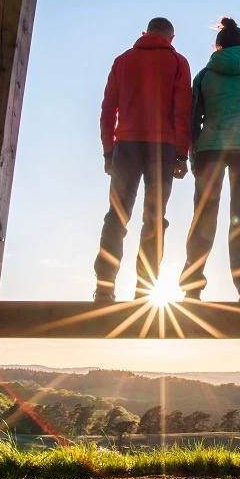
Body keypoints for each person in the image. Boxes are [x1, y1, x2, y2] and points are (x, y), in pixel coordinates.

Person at [93, 17, 191, 304]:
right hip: (163, 146)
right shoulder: (177, 62)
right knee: (154, 220)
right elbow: (182, 109)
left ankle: (103, 288)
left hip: (126, 144)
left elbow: (108, 107)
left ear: (145, 33)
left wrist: (108, 150)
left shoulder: (123, 60)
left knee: (116, 216)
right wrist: (182, 153)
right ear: (171, 38)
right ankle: (143, 291)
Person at [180, 17, 240, 304]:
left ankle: (192, 289)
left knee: (203, 217)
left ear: (218, 46)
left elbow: (193, 118)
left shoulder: (205, 75)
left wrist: (192, 155)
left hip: (209, 149)